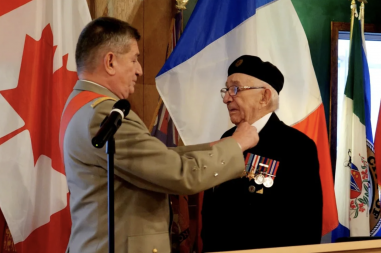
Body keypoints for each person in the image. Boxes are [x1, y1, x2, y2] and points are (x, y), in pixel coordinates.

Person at [61, 18, 259, 253]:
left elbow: (155, 156)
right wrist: (236, 146)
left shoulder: (82, 105)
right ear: (110, 62)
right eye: (134, 59)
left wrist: (213, 146)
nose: (139, 69)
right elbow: (179, 174)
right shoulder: (104, 114)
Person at [201, 55, 323, 252]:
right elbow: (211, 210)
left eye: (235, 89)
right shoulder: (226, 138)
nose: (226, 98)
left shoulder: (297, 147)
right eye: (226, 89)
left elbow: (306, 227)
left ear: (264, 97)